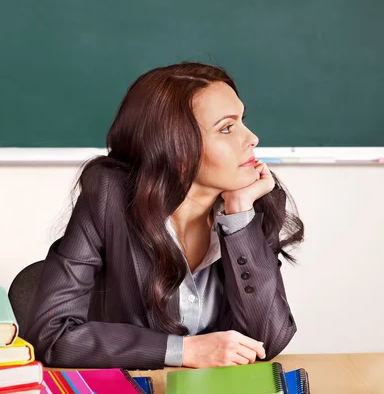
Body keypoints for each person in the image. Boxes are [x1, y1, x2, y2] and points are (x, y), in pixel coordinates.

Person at [25, 62, 304, 370]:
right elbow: (52, 335)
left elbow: (267, 340)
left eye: (242, 121)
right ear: (176, 147)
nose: (252, 138)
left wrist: (239, 218)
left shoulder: (253, 200)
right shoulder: (110, 199)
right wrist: (184, 351)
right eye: (227, 128)